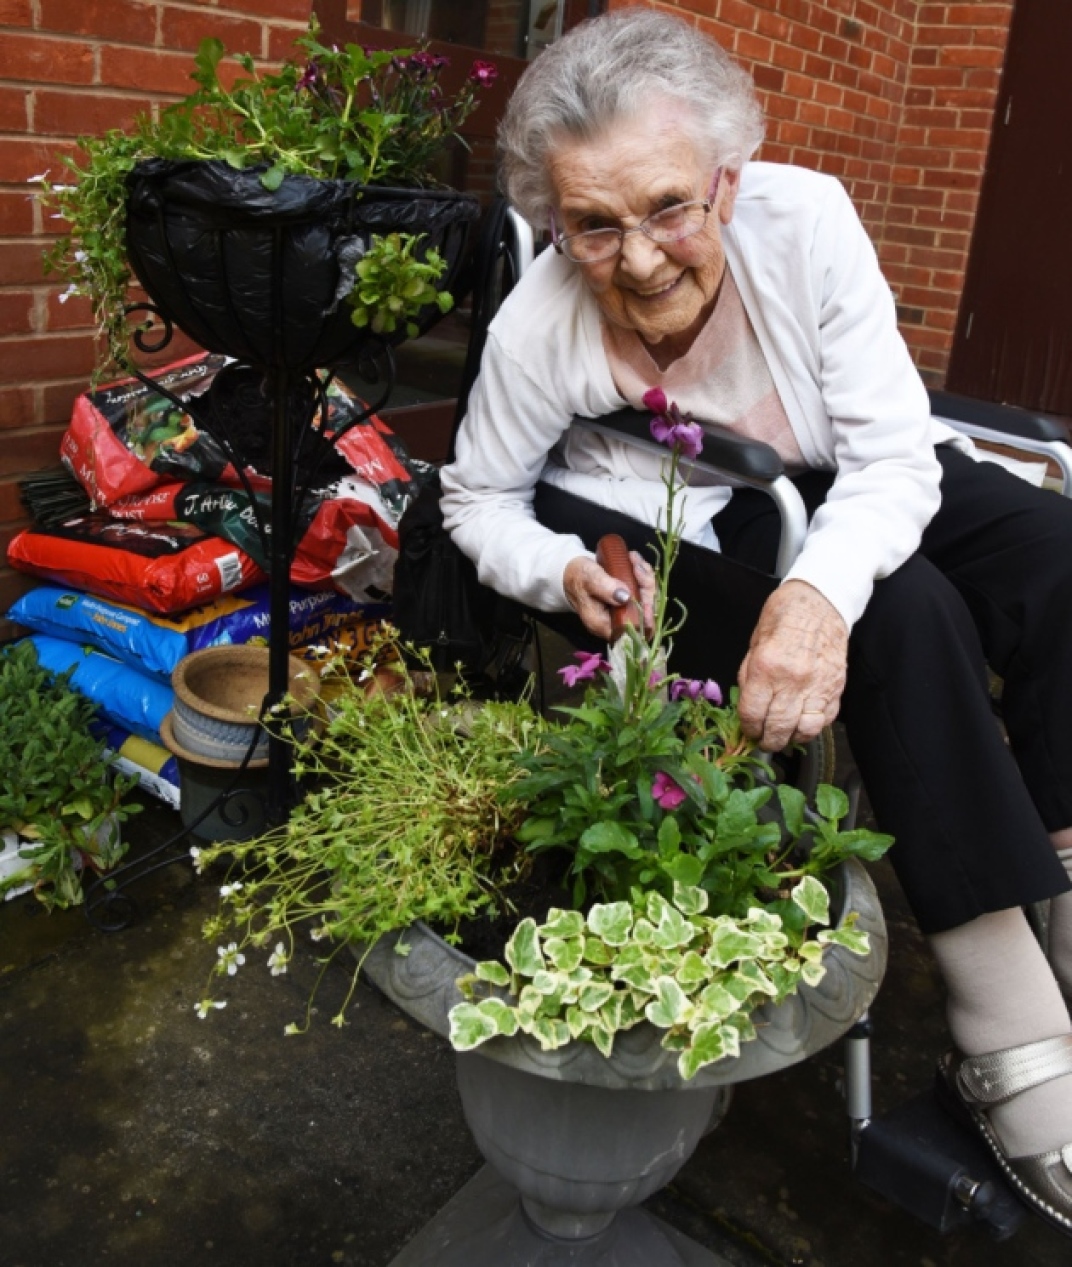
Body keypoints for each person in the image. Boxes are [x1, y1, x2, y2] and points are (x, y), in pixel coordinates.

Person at [439, 6, 1072, 1233]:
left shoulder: (807, 219)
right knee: (903, 619)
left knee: (1056, 554)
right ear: (553, 219)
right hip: (716, 506)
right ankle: (1003, 1014)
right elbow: (476, 496)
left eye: (671, 206)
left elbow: (893, 458)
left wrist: (812, 593)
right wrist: (556, 570)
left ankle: (1058, 869)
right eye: (592, 224)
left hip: (856, 467)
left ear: (728, 179)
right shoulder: (540, 324)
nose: (637, 258)